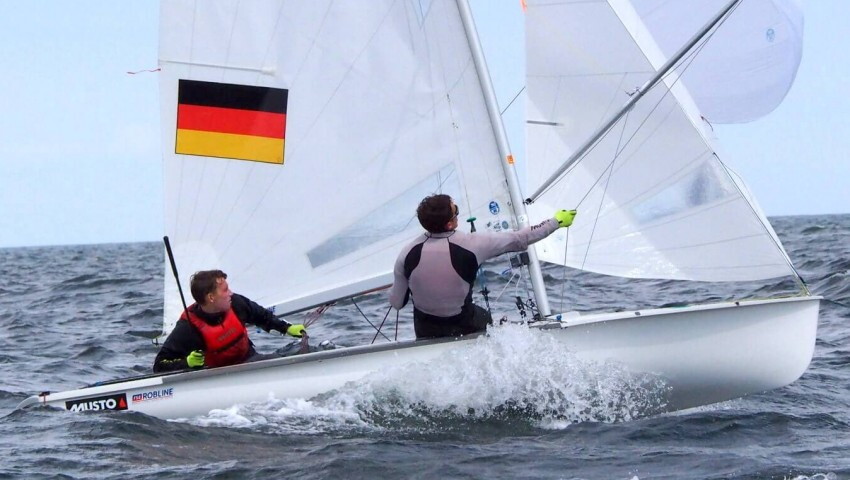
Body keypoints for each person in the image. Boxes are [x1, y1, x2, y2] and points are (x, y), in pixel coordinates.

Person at [388, 194, 576, 339]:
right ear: (450, 223)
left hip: (425, 330)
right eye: (456, 210)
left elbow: (396, 303)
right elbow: (521, 238)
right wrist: (556, 222)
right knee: (487, 318)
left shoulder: (406, 253)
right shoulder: (472, 244)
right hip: (464, 324)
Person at [153, 270, 306, 372]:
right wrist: (187, 362)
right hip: (218, 377)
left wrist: (287, 328)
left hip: (251, 361)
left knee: (300, 352)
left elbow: (263, 316)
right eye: (225, 290)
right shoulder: (188, 328)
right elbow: (159, 365)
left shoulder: (236, 303)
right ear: (211, 297)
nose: (230, 293)